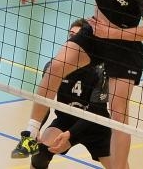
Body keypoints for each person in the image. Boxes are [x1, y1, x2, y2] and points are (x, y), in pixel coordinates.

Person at [13, 0, 143, 169]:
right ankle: (30, 134)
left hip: (124, 45)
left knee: (119, 113)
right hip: (95, 33)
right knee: (55, 67)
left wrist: (113, 32)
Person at [25, 18, 112, 169]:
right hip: (66, 120)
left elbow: (96, 111)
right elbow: (45, 101)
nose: (73, 40)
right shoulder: (55, 67)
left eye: (77, 36)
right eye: (70, 35)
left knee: (120, 166)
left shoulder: (99, 71)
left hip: (94, 124)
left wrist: (71, 134)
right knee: (40, 155)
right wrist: (36, 128)